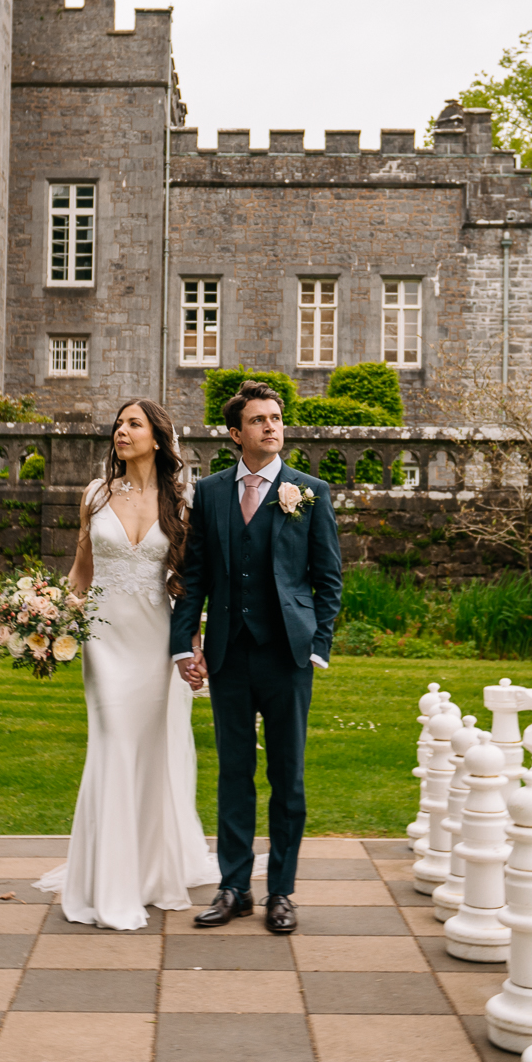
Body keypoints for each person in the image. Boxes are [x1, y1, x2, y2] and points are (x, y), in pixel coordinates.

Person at [35, 399, 216, 928]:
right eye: (118, 424)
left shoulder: (183, 501)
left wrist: (195, 642)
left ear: (157, 438)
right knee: (113, 744)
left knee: (153, 752)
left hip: (157, 640)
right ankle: (107, 884)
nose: (121, 431)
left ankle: (148, 871)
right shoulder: (95, 495)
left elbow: (190, 583)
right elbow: (80, 573)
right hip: (104, 638)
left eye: (133, 424)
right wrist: (48, 622)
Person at [171, 380, 342, 934]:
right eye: (259, 420)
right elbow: (194, 576)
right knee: (234, 773)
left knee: (287, 777)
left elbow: (328, 580)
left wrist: (318, 648)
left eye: (276, 418)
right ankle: (234, 887)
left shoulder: (309, 491)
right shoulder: (212, 493)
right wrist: (184, 642)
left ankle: (282, 893)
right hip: (228, 654)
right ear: (235, 433)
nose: (271, 426)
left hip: (289, 657)